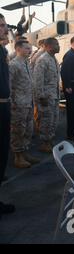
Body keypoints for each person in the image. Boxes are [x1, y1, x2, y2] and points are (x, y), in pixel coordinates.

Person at [9, 40, 40, 168]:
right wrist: (12, 103)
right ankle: (18, 157)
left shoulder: (26, 63)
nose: (30, 50)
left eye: (30, 48)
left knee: (28, 129)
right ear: (18, 49)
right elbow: (8, 85)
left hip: (28, 102)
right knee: (18, 130)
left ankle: (25, 152)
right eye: (27, 48)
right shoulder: (13, 65)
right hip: (18, 105)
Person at [0, 13, 16, 219]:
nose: (5, 29)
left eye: (4, 25)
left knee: (2, 154)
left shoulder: (2, 50)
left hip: (4, 107)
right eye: (1, 25)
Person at [33, 38, 61, 153]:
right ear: (48, 46)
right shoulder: (43, 60)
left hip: (54, 95)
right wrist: (41, 96)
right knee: (46, 120)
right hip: (46, 97)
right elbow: (38, 80)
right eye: (56, 44)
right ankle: (44, 143)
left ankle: (49, 140)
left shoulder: (53, 59)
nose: (58, 46)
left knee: (53, 119)